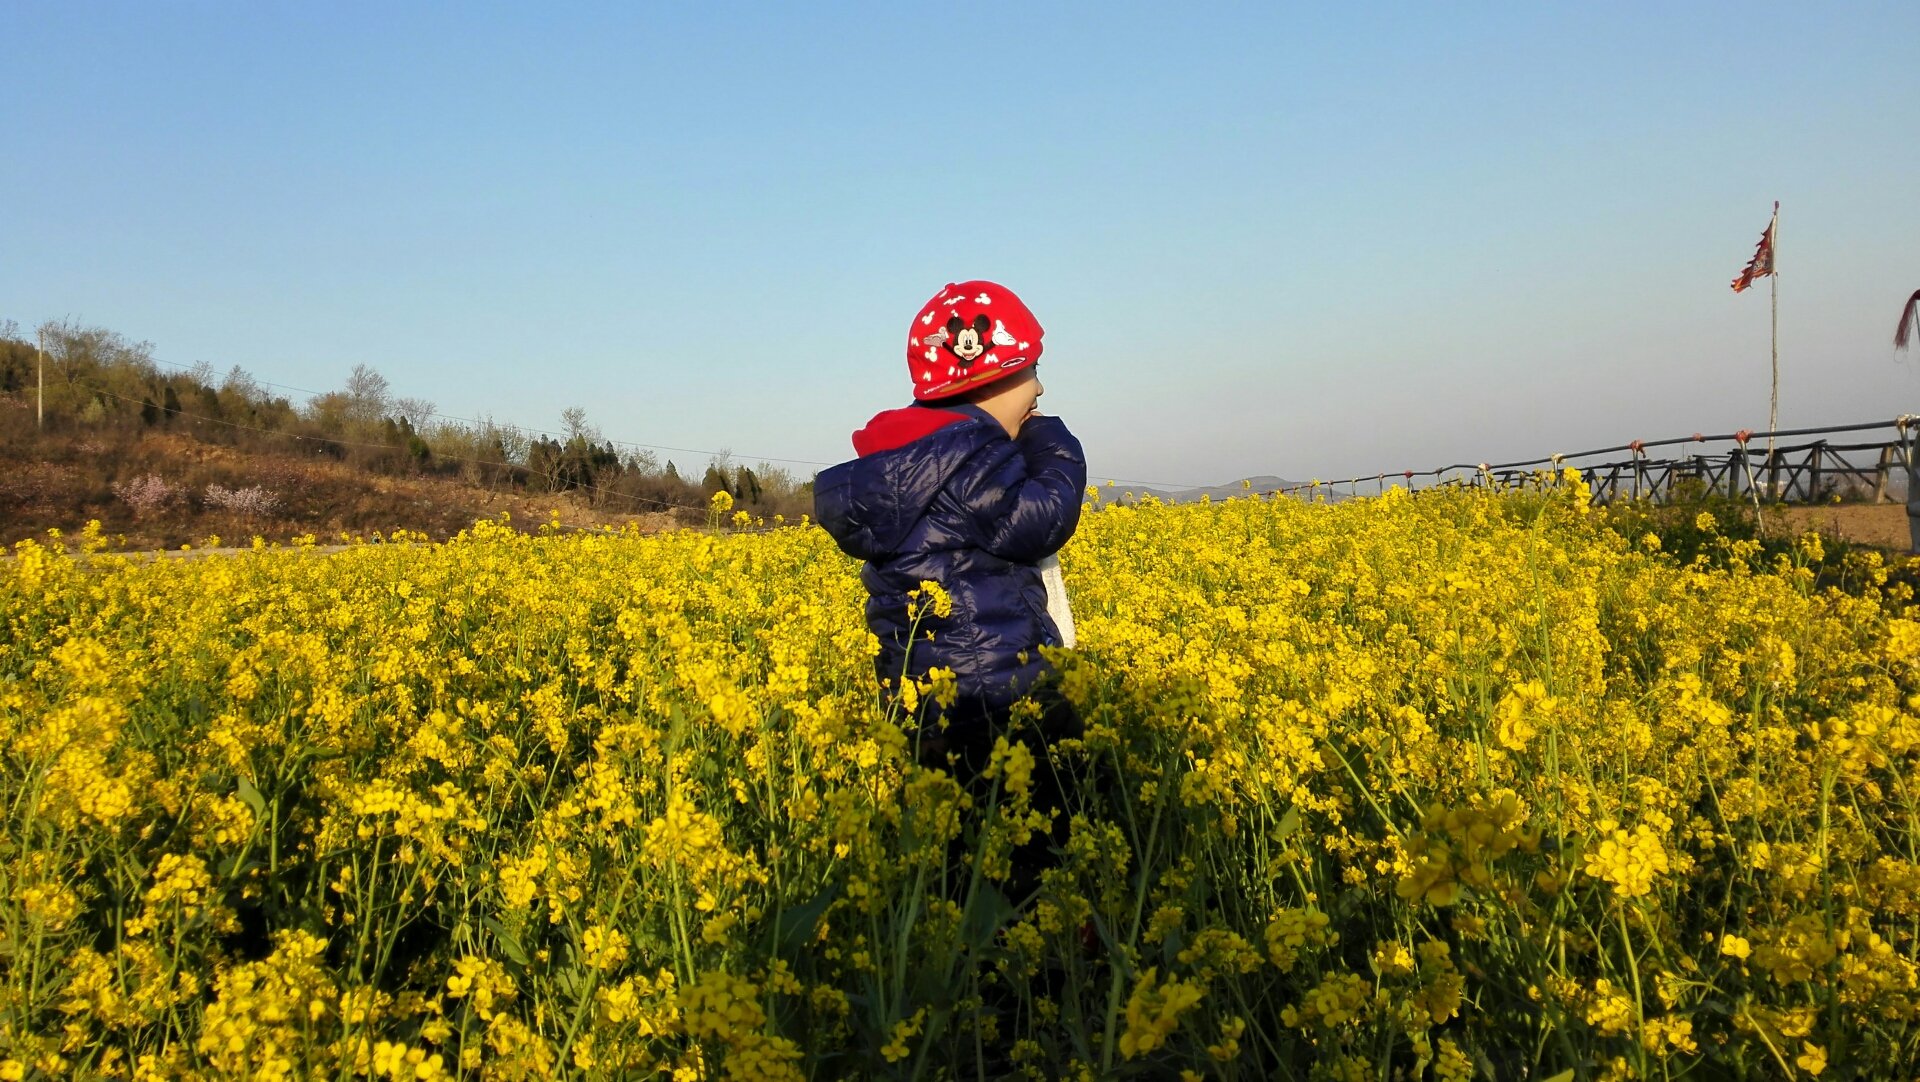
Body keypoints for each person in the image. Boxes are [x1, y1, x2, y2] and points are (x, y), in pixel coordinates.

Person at [813, 279, 1087, 899]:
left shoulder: (905, 464)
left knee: (958, 849)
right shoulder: (969, 461)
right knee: (1038, 843)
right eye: (1033, 373)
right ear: (990, 383)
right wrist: (1056, 444)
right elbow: (1043, 518)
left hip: (924, 702)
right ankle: (1052, 957)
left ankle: (965, 948)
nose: (1040, 390)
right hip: (998, 696)